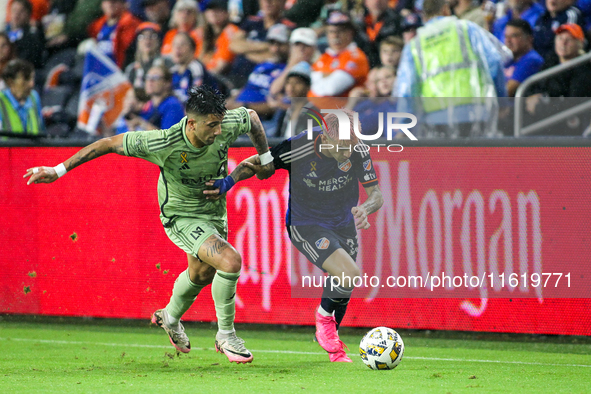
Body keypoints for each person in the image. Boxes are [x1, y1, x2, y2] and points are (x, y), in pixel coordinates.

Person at [24, 85, 275, 364]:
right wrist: (57, 170)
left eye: (219, 124)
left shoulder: (224, 123)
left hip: (214, 213)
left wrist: (265, 159)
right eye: (211, 126)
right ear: (192, 123)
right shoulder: (163, 142)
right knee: (229, 261)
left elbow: (252, 117)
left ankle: (170, 316)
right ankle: (226, 335)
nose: (218, 132)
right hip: (180, 216)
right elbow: (107, 143)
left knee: (202, 274)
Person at [206, 108, 383, 362]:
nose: (348, 153)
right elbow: (257, 163)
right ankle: (323, 321)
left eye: (352, 146)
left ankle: (333, 347)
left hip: (343, 224)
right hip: (306, 224)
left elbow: (376, 195)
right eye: (343, 147)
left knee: (344, 285)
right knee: (348, 273)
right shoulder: (299, 147)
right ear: (325, 137)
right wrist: (227, 183)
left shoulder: (357, 150)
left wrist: (365, 208)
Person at [393, 0, 507, 138]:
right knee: (475, 159)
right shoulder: (467, 29)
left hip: (435, 118)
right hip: (475, 111)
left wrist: (404, 127)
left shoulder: (414, 45)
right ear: (446, 10)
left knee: (447, 159)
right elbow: (494, 62)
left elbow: (407, 90)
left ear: (424, 17)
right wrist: (502, 101)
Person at [309, 11, 370, 100]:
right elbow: (308, 82)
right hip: (317, 109)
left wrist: (321, 76)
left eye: (340, 31)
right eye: (331, 32)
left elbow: (331, 89)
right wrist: (329, 76)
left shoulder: (356, 57)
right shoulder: (325, 56)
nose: (335, 36)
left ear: (350, 33)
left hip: (343, 111)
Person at [88, 0, 142, 68]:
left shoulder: (132, 24)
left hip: (119, 69)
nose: (110, 4)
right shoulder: (96, 25)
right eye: (107, 1)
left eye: (114, 1)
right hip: (100, 69)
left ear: (125, 4)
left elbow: (126, 50)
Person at [0, 58, 44, 136]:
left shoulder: (34, 97)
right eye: (26, 79)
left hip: (32, 148)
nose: (31, 84)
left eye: (32, 78)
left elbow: (41, 130)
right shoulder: (1, 101)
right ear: (10, 81)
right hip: (7, 148)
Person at [196, 0, 240, 75]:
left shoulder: (231, 31)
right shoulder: (202, 33)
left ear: (227, 12)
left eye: (218, 9)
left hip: (220, 79)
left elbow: (220, 67)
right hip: (203, 76)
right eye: (210, 9)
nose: (213, 12)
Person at [137, 64, 185, 130]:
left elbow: (169, 138)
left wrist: (141, 123)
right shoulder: (149, 105)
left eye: (155, 77)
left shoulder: (172, 105)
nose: (150, 81)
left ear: (168, 83)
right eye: (147, 77)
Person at [503, 19, 543, 97]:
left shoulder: (532, 60)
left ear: (529, 39)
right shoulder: (508, 59)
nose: (508, 41)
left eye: (513, 36)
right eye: (506, 36)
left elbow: (507, 92)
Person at [125, 22, 171, 89]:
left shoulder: (167, 63)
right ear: (137, 42)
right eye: (142, 36)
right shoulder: (132, 70)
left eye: (153, 36)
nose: (147, 40)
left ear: (159, 41)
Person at [5, 0, 46, 69]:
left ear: (29, 15)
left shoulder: (33, 36)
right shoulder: (4, 34)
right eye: (14, 10)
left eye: (21, 11)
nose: (16, 14)